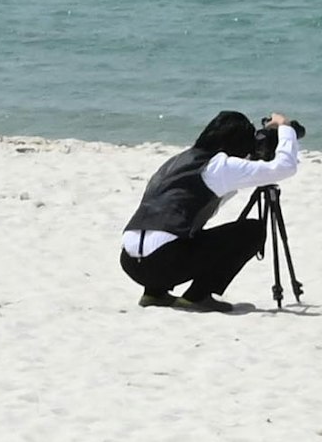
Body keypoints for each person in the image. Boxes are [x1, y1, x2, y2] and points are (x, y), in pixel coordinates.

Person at [119, 110, 304, 307]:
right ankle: (197, 297)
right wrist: (285, 127)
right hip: (164, 263)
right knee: (252, 231)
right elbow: (285, 168)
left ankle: (154, 294)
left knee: (178, 227)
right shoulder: (219, 166)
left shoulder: (178, 161)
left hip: (131, 263)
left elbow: (195, 203)